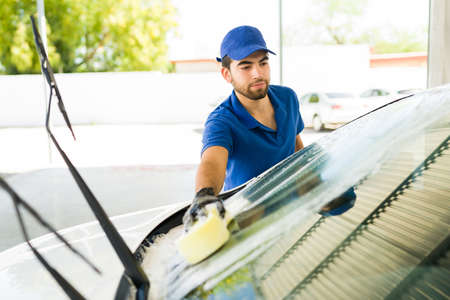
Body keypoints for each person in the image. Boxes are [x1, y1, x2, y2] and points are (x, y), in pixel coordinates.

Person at [183, 25, 355, 228]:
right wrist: (204, 196)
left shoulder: (288, 98)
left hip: (291, 213)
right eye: (246, 67)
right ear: (227, 74)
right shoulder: (222, 121)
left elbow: (296, 146)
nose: (257, 73)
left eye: (263, 63)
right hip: (250, 222)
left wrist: (315, 183)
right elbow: (212, 161)